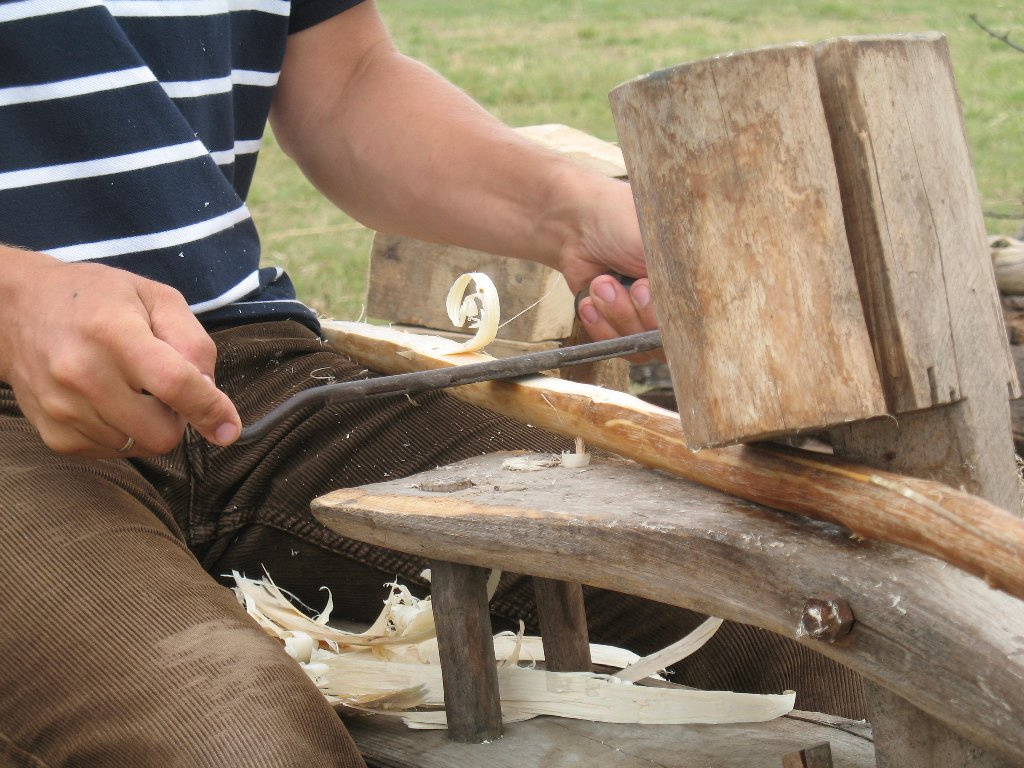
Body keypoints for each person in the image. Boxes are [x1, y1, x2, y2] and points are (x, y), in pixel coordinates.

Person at [0, 1, 863, 765]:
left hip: (247, 370)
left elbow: (344, 83)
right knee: (237, 743)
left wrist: (570, 207)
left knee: (816, 621)